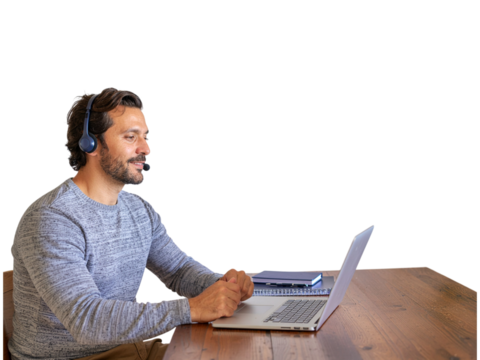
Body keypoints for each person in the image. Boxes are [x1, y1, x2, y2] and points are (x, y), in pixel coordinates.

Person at [8, 87, 254, 360]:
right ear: (91, 143)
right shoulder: (52, 218)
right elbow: (86, 320)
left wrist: (223, 287)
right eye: (130, 137)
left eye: (146, 137)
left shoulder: (139, 210)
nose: (146, 149)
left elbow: (179, 270)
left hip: (128, 348)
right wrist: (191, 309)